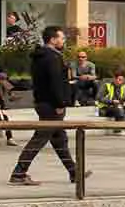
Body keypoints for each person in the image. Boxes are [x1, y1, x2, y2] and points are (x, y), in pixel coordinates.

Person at [11, 26, 83, 186]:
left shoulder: (41, 56)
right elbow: (55, 82)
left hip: (43, 102)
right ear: (53, 39)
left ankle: (74, 172)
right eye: (62, 38)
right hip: (51, 105)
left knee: (59, 140)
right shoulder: (52, 57)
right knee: (40, 138)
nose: (63, 41)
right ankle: (19, 172)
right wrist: (59, 103)